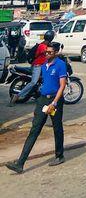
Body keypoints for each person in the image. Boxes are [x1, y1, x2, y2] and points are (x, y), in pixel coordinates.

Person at [5, 43, 67, 174]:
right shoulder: (44, 65)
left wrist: (54, 103)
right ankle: (20, 163)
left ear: (55, 53)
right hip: (43, 100)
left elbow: (62, 86)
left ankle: (59, 156)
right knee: (34, 129)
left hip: (55, 101)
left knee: (57, 128)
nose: (47, 54)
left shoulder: (60, 65)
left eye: (50, 52)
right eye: (46, 52)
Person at [10, 29, 55, 105]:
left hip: (41, 66)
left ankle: (40, 94)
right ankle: (17, 96)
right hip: (37, 66)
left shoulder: (46, 45)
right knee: (33, 82)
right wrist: (57, 54)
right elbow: (48, 53)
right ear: (51, 38)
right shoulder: (42, 46)